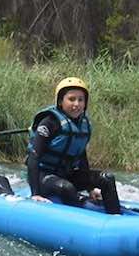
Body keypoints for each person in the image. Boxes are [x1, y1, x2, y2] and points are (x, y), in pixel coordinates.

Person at [26, 77, 121, 214]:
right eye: (71, 99)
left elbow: (81, 156)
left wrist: (90, 188)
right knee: (67, 188)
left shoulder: (83, 124)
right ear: (60, 101)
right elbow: (33, 157)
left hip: (66, 174)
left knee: (106, 178)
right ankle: (82, 216)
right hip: (43, 177)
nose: (76, 104)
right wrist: (35, 193)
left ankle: (115, 215)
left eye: (81, 100)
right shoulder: (49, 122)